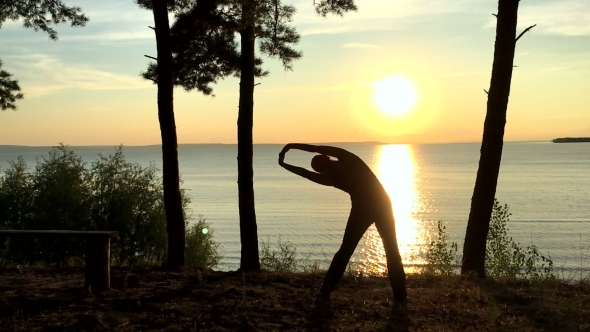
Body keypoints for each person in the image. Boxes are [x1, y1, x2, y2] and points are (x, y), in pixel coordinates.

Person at [278, 143, 407, 303]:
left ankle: (401, 297)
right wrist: (284, 164)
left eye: (323, 167)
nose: (324, 172)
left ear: (328, 159)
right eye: (321, 170)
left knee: (392, 251)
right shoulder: (330, 178)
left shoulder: (347, 158)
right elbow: (305, 173)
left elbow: (317, 148)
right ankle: (326, 291)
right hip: (362, 209)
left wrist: (290, 146)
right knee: (345, 250)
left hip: (381, 205)